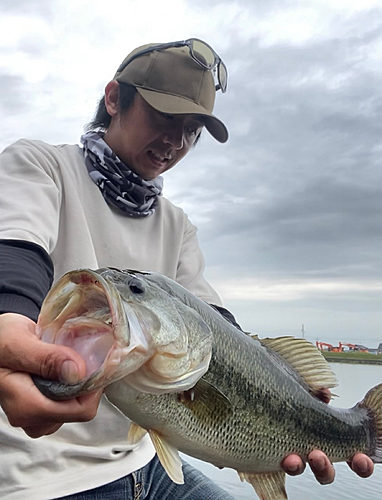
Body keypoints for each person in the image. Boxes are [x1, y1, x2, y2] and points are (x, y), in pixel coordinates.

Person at [0, 38, 373, 500]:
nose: (175, 142)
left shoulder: (177, 224)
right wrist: (9, 324)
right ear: (114, 98)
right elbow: (14, 255)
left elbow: (221, 332)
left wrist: (293, 396)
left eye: (191, 130)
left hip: (149, 463)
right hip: (46, 474)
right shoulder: (41, 166)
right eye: (164, 118)